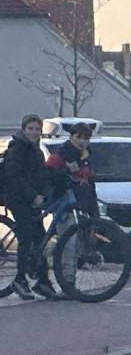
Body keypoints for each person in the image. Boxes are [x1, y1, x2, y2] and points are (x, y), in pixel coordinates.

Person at [1, 115, 55, 300]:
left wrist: (47, 192)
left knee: (40, 239)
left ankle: (43, 281)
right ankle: (20, 279)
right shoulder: (17, 149)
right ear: (24, 130)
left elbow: (42, 176)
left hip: (33, 201)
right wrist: (33, 195)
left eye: (37, 129)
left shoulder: (37, 151)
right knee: (26, 237)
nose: (34, 132)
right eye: (30, 129)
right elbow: (15, 177)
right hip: (18, 199)